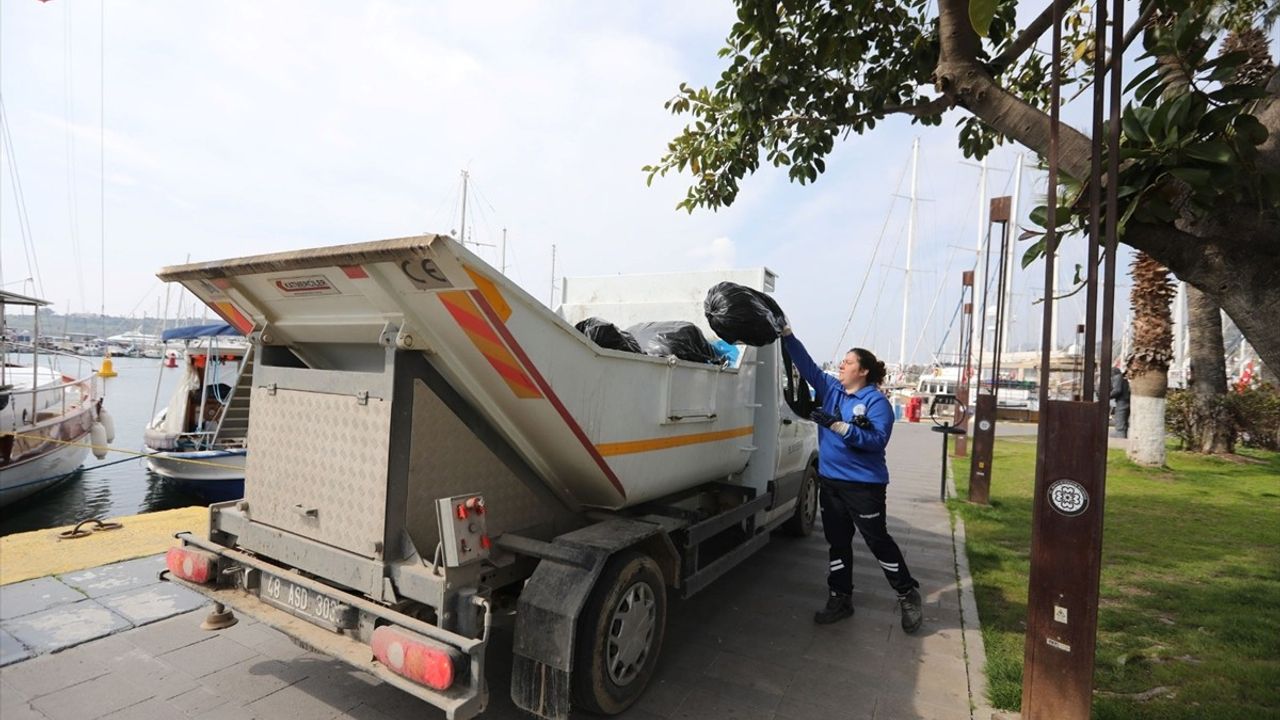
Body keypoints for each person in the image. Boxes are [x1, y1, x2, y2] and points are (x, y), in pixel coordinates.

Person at [781, 328, 923, 633]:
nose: (841, 366)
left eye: (848, 362)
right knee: (837, 543)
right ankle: (840, 598)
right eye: (842, 362)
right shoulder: (830, 389)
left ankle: (906, 593)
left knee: (877, 541)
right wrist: (787, 335)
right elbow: (806, 366)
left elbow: (876, 440)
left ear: (863, 371)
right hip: (830, 483)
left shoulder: (877, 402)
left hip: (864, 487)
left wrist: (837, 425)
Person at [1110, 367, 1130, 438]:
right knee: (1124, 424)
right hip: (1127, 401)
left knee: (1120, 425)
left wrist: (1107, 396)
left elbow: (1117, 390)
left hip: (1122, 402)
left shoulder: (1117, 377)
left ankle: (1121, 442)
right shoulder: (1123, 378)